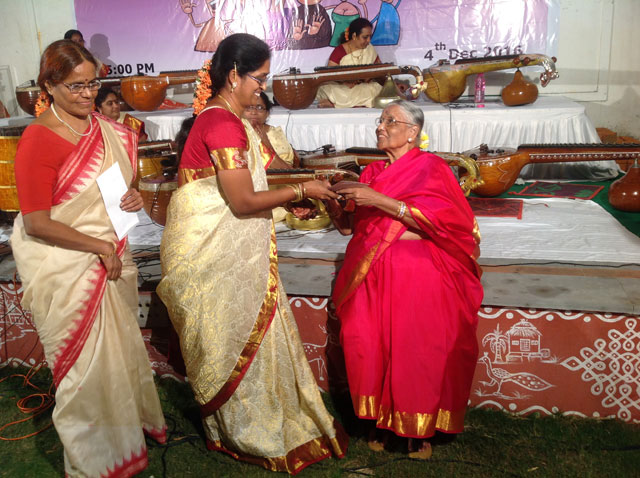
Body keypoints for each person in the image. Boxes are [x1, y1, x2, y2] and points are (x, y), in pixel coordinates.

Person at [156, 33, 347, 474]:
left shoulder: (231, 118)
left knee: (244, 338)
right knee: (230, 339)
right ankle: (244, 430)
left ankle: (240, 425)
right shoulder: (221, 123)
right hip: (212, 252)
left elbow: (269, 176)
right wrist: (301, 189)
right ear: (232, 75)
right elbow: (242, 202)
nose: (263, 87)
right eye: (258, 78)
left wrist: (314, 182)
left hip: (231, 248)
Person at [10, 39, 166, 477]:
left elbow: (114, 192)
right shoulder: (38, 139)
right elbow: (38, 222)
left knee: (118, 357)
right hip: (68, 265)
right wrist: (97, 247)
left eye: (92, 84)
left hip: (111, 256)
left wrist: (132, 197)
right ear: (50, 85)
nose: (87, 94)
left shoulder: (108, 130)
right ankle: (93, 461)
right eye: (75, 86)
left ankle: (124, 440)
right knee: (82, 374)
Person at [329, 99, 483, 459]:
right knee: (369, 344)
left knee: (415, 349)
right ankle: (378, 422)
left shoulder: (432, 168)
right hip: (370, 270)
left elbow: (449, 224)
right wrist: (331, 204)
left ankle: (418, 432)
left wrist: (379, 199)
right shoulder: (370, 173)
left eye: (390, 121)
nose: (381, 126)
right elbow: (351, 229)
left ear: (413, 133)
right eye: (380, 120)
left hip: (418, 269)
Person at [316, 18, 382, 108]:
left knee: (376, 88)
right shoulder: (340, 51)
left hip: (362, 87)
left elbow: (380, 70)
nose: (369, 40)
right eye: (365, 37)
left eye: (370, 36)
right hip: (343, 88)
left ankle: (336, 104)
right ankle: (349, 103)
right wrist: (344, 82)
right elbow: (329, 76)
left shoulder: (370, 49)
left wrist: (369, 78)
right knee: (330, 89)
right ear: (354, 36)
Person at [243, 91, 299, 168]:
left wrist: (266, 143)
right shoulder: (234, 133)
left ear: (267, 113)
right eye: (249, 107)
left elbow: (287, 169)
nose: (254, 112)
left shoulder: (274, 134)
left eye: (259, 108)